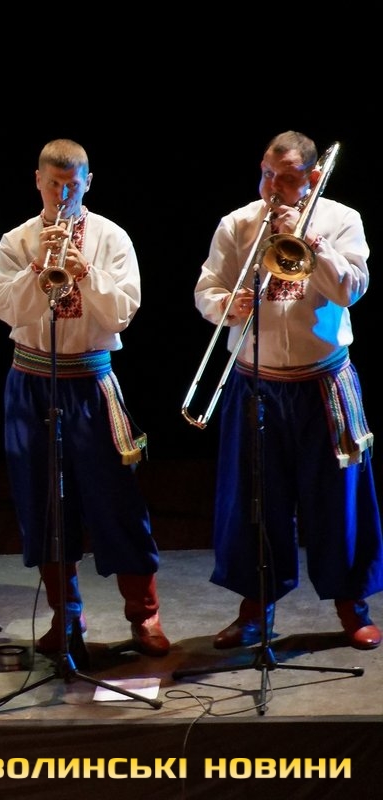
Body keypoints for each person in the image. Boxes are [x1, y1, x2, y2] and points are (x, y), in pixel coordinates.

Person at [194, 131, 382, 651]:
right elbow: (207, 288)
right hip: (256, 383)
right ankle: (255, 610)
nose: (273, 187)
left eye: (288, 178)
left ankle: (352, 608)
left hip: (323, 382)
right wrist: (225, 305)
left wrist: (309, 241)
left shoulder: (342, 220)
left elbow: (350, 289)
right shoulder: (237, 223)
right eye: (267, 175)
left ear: (313, 178)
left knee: (337, 501)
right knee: (254, 501)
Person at [0, 139, 169, 658]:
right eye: (53, 184)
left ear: (88, 182)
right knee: (42, 503)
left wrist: (85, 273)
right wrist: (36, 267)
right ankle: (66, 617)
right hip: (31, 381)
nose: (63, 194)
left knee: (117, 501)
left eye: (72, 185)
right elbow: (4, 309)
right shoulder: (17, 240)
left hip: (90, 381)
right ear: (38, 181)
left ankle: (144, 615)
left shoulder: (111, 237)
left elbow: (122, 314)